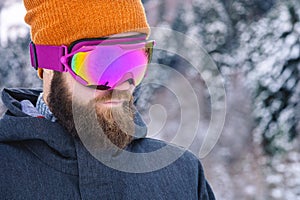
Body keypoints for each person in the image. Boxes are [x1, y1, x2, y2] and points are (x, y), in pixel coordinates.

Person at [0, 0, 215, 199]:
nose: (122, 83)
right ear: (49, 64)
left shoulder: (183, 177)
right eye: (100, 63)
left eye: (133, 61)